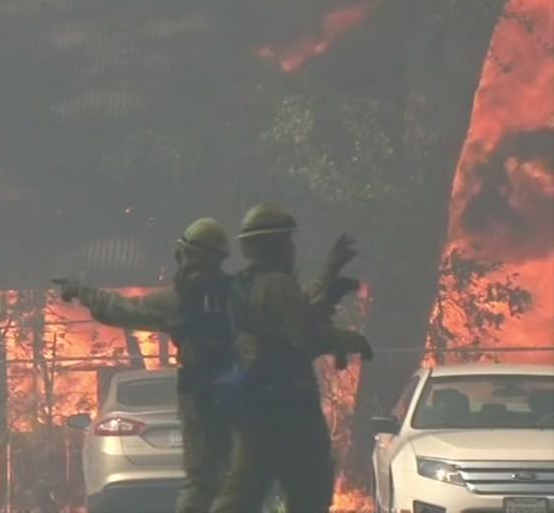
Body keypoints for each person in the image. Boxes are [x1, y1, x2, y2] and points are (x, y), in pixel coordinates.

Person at [54, 217, 370, 513]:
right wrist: (330, 281)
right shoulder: (241, 291)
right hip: (248, 401)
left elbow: (122, 310)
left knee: (205, 482)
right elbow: (296, 315)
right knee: (243, 482)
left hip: (202, 401)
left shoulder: (182, 300)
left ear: (186, 255)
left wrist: (83, 293)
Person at [210, 203, 348, 513]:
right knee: (309, 490)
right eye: (287, 240)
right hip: (291, 406)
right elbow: (304, 336)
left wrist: (329, 276)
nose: (292, 248)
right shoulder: (278, 282)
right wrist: (345, 338)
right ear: (275, 245)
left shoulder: (243, 283)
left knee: (242, 491)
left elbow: (294, 308)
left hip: (253, 404)